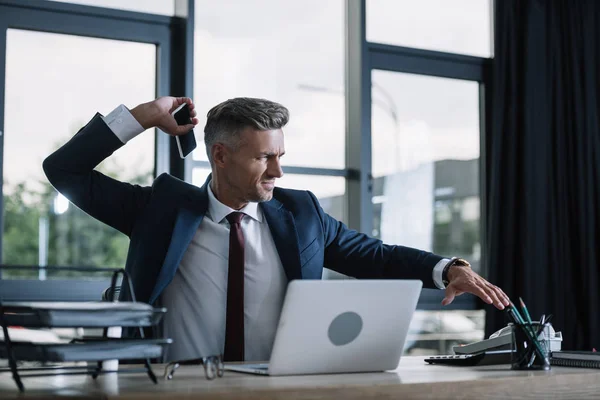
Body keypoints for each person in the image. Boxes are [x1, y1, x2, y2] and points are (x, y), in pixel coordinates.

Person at [43, 96, 510, 363]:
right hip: (175, 386)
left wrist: (447, 268)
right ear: (221, 156)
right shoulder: (161, 208)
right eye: (264, 157)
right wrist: (145, 115)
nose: (277, 172)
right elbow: (65, 170)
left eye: (280, 155)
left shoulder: (301, 214)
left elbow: (377, 256)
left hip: (276, 385)